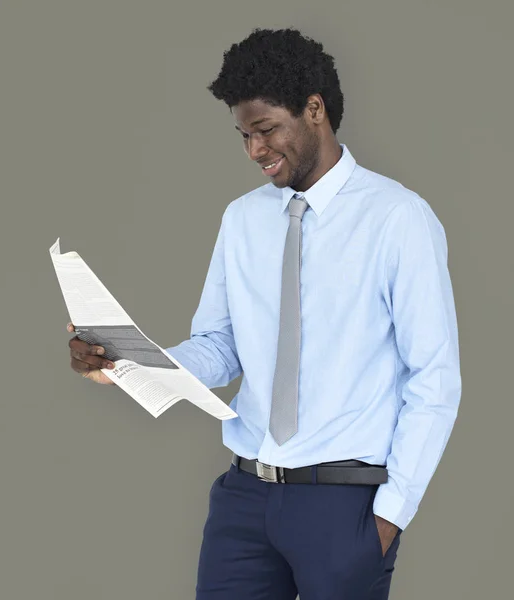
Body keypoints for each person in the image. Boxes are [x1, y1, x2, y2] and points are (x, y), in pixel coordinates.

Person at [67, 27, 462, 600]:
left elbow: (435, 377)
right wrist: (126, 362)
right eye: (244, 135)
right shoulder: (242, 219)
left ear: (315, 109)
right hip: (246, 498)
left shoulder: (398, 219)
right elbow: (221, 344)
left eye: (266, 130)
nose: (255, 151)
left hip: (345, 504)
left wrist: (390, 516)